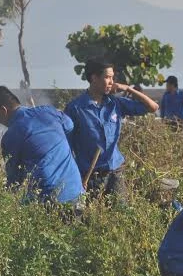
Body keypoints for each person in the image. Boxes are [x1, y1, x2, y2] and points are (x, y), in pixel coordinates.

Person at [64, 60, 159, 199]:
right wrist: (74, 177)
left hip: (115, 171)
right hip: (91, 176)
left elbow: (153, 107)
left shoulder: (115, 103)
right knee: (92, 217)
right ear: (94, 78)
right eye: (107, 77)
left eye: (112, 78)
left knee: (121, 212)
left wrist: (128, 89)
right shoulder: (75, 108)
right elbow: (67, 146)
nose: (111, 82)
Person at [0, 86, 84, 205]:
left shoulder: (11, 136)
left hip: (49, 198)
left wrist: (1, 201)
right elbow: (69, 126)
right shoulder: (48, 111)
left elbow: (14, 180)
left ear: (3, 110)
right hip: (76, 189)